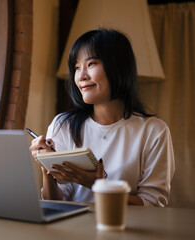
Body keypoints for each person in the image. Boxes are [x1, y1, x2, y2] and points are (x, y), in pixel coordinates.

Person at [29, 29, 175, 207]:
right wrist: (46, 168)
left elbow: (152, 205)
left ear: (118, 67)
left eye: (91, 64)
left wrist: (98, 187)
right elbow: (56, 203)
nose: (81, 76)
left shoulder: (154, 131)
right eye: (76, 67)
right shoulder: (63, 125)